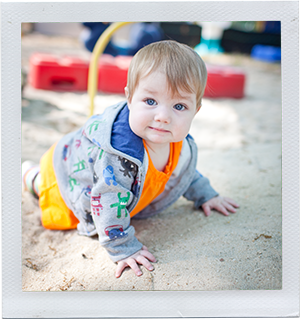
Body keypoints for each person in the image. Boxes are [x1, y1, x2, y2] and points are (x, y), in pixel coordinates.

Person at [22, 40, 239, 278]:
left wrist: (206, 195)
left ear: (195, 110)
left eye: (179, 106)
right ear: (129, 98)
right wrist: (122, 248)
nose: (163, 116)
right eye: (150, 101)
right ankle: (29, 174)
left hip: (99, 178)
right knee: (44, 187)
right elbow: (107, 200)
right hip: (67, 172)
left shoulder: (179, 143)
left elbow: (182, 171)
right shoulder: (118, 154)